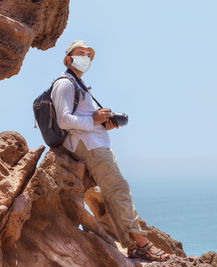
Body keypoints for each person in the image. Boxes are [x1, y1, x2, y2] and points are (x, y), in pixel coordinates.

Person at [50, 40, 170, 262]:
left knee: (113, 191)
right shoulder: (64, 84)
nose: (85, 58)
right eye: (80, 54)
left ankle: (133, 245)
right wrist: (94, 119)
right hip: (88, 145)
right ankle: (142, 244)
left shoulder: (80, 85)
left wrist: (103, 122)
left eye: (88, 55)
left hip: (94, 142)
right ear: (68, 59)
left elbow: (83, 119)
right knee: (118, 189)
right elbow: (63, 119)